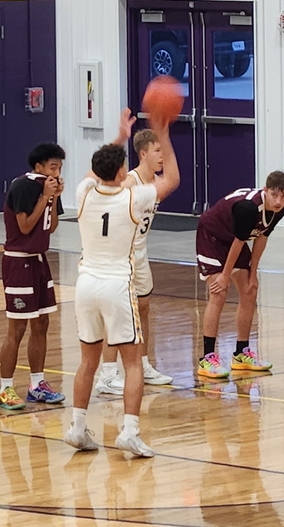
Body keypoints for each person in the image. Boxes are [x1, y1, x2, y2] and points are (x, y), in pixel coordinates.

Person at [65, 119, 180, 457]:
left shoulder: (83, 192)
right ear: (119, 173)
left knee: (88, 361)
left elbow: (93, 169)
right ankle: (129, 430)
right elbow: (172, 179)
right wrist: (165, 136)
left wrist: (119, 138)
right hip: (116, 286)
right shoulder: (133, 197)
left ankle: (77, 426)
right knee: (132, 362)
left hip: (85, 284)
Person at [95, 126, 180, 395]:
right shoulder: (129, 183)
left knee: (143, 308)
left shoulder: (153, 184)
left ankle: (143, 365)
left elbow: (172, 180)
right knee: (120, 313)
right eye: (158, 151)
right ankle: (107, 374)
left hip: (140, 252)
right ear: (143, 154)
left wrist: (165, 136)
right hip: (122, 254)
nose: (162, 156)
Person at [195, 172, 284, 379]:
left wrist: (253, 274)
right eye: (274, 195)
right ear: (265, 191)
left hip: (233, 240)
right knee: (219, 292)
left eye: (283, 196)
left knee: (250, 290)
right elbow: (239, 242)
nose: (278, 201)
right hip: (212, 236)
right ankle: (207, 358)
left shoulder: (280, 210)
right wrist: (223, 275)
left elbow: (261, 238)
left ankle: (241, 353)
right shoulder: (249, 208)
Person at [0, 143, 67, 411]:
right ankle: (5, 387)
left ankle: (36, 385)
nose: (57, 171)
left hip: (39, 261)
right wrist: (44, 198)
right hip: (18, 262)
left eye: (60, 167)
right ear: (38, 166)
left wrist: (52, 199)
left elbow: (50, 227)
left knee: (42, 323)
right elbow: (25, 226)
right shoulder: (23, 187)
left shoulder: (48, 187)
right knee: (17, 327)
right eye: (53, 166)